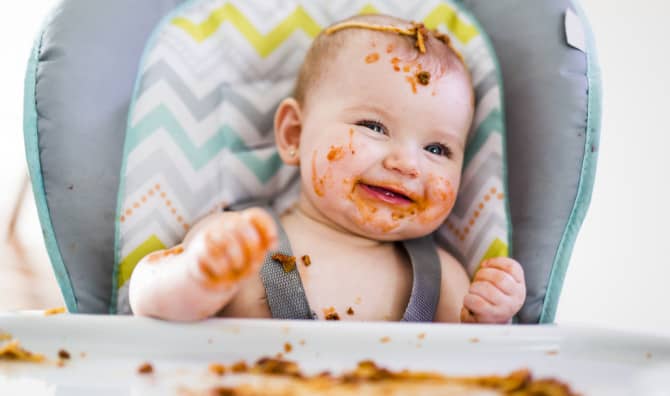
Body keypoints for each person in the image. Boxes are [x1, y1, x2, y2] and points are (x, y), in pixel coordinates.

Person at [128, 14, 526, 324]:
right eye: (373, 127)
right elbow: (147, 298)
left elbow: (475, 366)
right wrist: (198, 278)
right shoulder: (244, 243)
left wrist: (490, 317)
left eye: (437, 148)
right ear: (293, 134)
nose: (406, 163)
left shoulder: (442, 279)